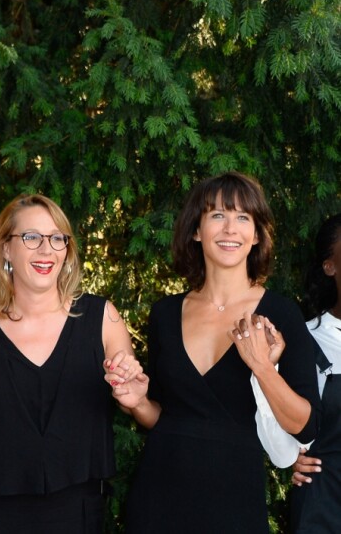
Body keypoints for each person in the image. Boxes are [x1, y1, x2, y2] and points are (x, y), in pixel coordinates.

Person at [114, 172, 320, 533]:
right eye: (217, 216)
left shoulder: (282, 313)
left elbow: (306, 425)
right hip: (158, 494)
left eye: (243, 218)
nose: (230, 229)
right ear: (196, 230)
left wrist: (262, 367)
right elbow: (160, 417)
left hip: (235, 497)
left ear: (256, 235)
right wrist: (136, 402)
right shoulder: (164, 313)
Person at [0, 193, 141, 534]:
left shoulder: (102, 318)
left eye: (57, 239)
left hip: (77, 512)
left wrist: (134, 391)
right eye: (31, 237)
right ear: (5, 249)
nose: (46, 250)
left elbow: (135, 399)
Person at [289, 213, 341, 532]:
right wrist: (286, 454)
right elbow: (259, 414)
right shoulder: (304, 341)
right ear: (330, 267)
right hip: (322, 511)